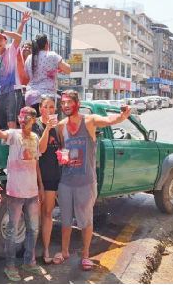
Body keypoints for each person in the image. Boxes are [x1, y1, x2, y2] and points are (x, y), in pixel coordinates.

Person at [54, 90, 131, 271]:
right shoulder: (60, 125)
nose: (65, 106)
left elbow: (110, 120)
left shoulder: (90, 121)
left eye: (69, 102)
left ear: (77, 103)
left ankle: (86, 255)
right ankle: (64, 252)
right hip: (65, 182)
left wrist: (123, 115)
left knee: (86, 221)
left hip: (86, 182)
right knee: (65, 221)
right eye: (63, 103)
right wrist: (63, 157)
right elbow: (62, 149)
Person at [0, 106, 45, 281]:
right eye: (22, 117)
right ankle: (10, 266)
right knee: (11, 231)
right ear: (18, 118)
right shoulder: (13, 134)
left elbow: (36, 163)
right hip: (15, 192)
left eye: (28, 118)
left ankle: (29, 262)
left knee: (33, 229)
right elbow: (0, 134)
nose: (24, 120)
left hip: (32, 192)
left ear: (34, 121)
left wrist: (40, 186)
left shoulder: (35, 137)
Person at [32, 95, 63, 265]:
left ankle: (45, 249)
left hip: (52, 177)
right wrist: (47, 129)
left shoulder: (58, 128)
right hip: (37, 178)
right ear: (40, 109)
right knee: (34, 215)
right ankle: (30, 254)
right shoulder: (36, 125)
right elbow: (40, 149)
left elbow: (61, 149)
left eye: (52, 107)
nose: (49, 110)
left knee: (48, 213)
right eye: (46, 107)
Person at [24, 34, 71, 113]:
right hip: (47, 97)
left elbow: (26, 76)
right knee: (52, 123)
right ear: (47, 44)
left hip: (30, 97)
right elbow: (68, 70)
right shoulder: (52, 55)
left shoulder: (29, 58)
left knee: (34, 124)